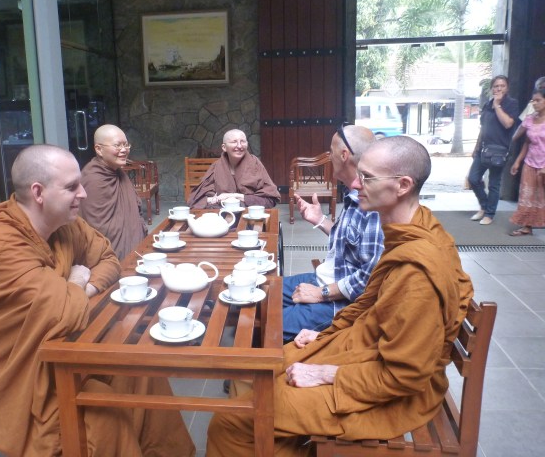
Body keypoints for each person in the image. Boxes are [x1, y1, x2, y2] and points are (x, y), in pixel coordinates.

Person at [206, 136, 473, 457]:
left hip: (388, 393)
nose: (356, 184)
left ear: (403, 185)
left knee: (232, 419)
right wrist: (325, 334)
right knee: (253, 375)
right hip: (362, 349)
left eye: (368, 178)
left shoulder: (418, 275)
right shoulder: (414, 227)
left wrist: (323, 372)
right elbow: (370, 305)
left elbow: (404, 377)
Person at [0, 145, 195, 457]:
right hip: (3, 378)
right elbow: (66, 312)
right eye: (72, 187)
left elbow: (108, 259)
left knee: (140, 371)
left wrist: (80, 286)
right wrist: (75, 282)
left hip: (54, 347)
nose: (83, 194)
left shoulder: (64, 224)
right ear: (38, 192)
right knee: (103, 418)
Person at [282, 124, 383, 342]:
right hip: (324, 278)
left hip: (339, 303)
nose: (329, 156)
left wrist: (321, 293)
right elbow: (349, 243)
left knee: (269, 325)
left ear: (344, 155)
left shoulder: (373, 204)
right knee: (264, 291)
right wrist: (320, 220)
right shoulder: (354, 194)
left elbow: (370, 278)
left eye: (331, 151)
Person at [79, 124, 147, 259]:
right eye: (117, 145)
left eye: (126, 145)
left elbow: (134, 208)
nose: (124, 150)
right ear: (99, 149)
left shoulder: (118, 172)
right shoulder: (93, 179)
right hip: (110, 257)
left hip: (136, 252)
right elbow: (98, 228)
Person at [468, 75, 519, 225]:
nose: (499, 89)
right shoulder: (487, 105)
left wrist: (497, 105)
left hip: (499, 151)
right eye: (496, 86)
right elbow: (483, 128)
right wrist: (476, 147)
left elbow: (508, 123)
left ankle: (489, 214)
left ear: (507, 88)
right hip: (483, 149)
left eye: (502, 86)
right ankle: (484, 206)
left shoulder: (511, 103)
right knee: (473, 178)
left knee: (494, 184)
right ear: (492, 89)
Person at [187, 129, 281, 209]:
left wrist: (235, 196)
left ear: (247, 144)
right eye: (234, 142)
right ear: (224, 147)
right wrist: (215, 199)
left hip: (250, 215)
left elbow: (271, 199)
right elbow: (194, 200)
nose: (239, 146)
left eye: (242, 141)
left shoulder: (255, 164)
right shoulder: (216, 167)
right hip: (222, 214)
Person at [509, 87, 545, 236]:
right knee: (527, 194)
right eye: (533, 101)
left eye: (538, 100)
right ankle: (526, 226)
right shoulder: (530, 119)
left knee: (541, 195)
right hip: (530, 162)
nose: (535, 103)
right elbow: (521, 140)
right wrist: (517, 161)